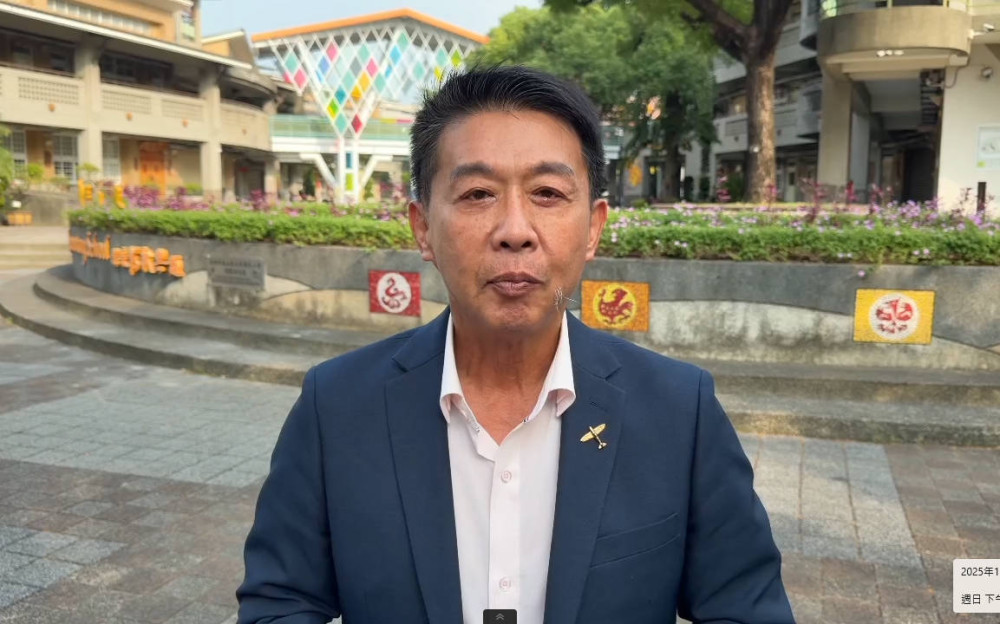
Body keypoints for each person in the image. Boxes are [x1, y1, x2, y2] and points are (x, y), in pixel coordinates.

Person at [237, 66, 794, 624]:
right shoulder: (336, 405)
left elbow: (746, 608)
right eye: (478, 193)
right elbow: (280, 603)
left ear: (593, 227)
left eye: (547, 193)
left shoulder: (678, 410)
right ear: (423, 227)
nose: (515, 230)